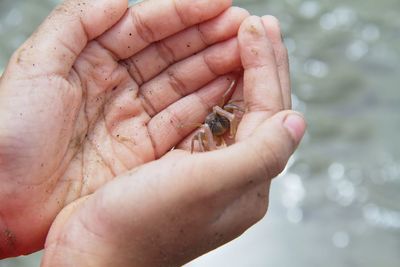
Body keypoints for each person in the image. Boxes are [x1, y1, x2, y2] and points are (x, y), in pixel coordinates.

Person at [0, 0, 306, 265]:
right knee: (205, 130)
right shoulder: (203, 131)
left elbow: (230, 112)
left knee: (214, 120)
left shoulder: (216, 115)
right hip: (210, 129)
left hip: (218, 123)